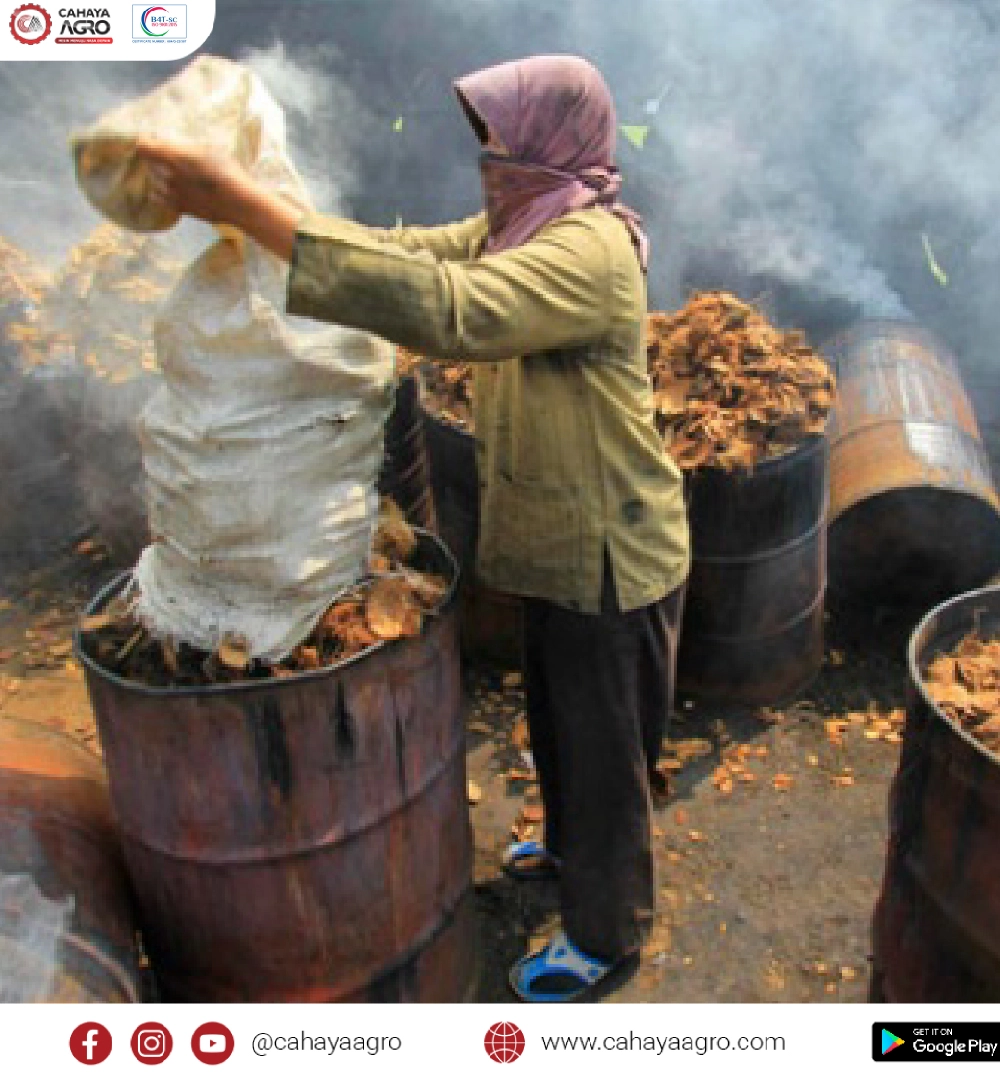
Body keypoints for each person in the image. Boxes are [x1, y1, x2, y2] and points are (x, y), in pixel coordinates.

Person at [137, 54, 690, 1003]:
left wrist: (250, 208)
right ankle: (566, 851)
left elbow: (452, 311)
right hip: (567, 544)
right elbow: (413, 257)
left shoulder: (585, 249)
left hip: (613, 549)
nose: (486, 166)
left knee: (604, 752)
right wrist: (263, 211)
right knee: (559, 719)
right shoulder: (524, 223)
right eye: (484, 146)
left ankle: (608, 934)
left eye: (502, 146)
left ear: (554, 144)